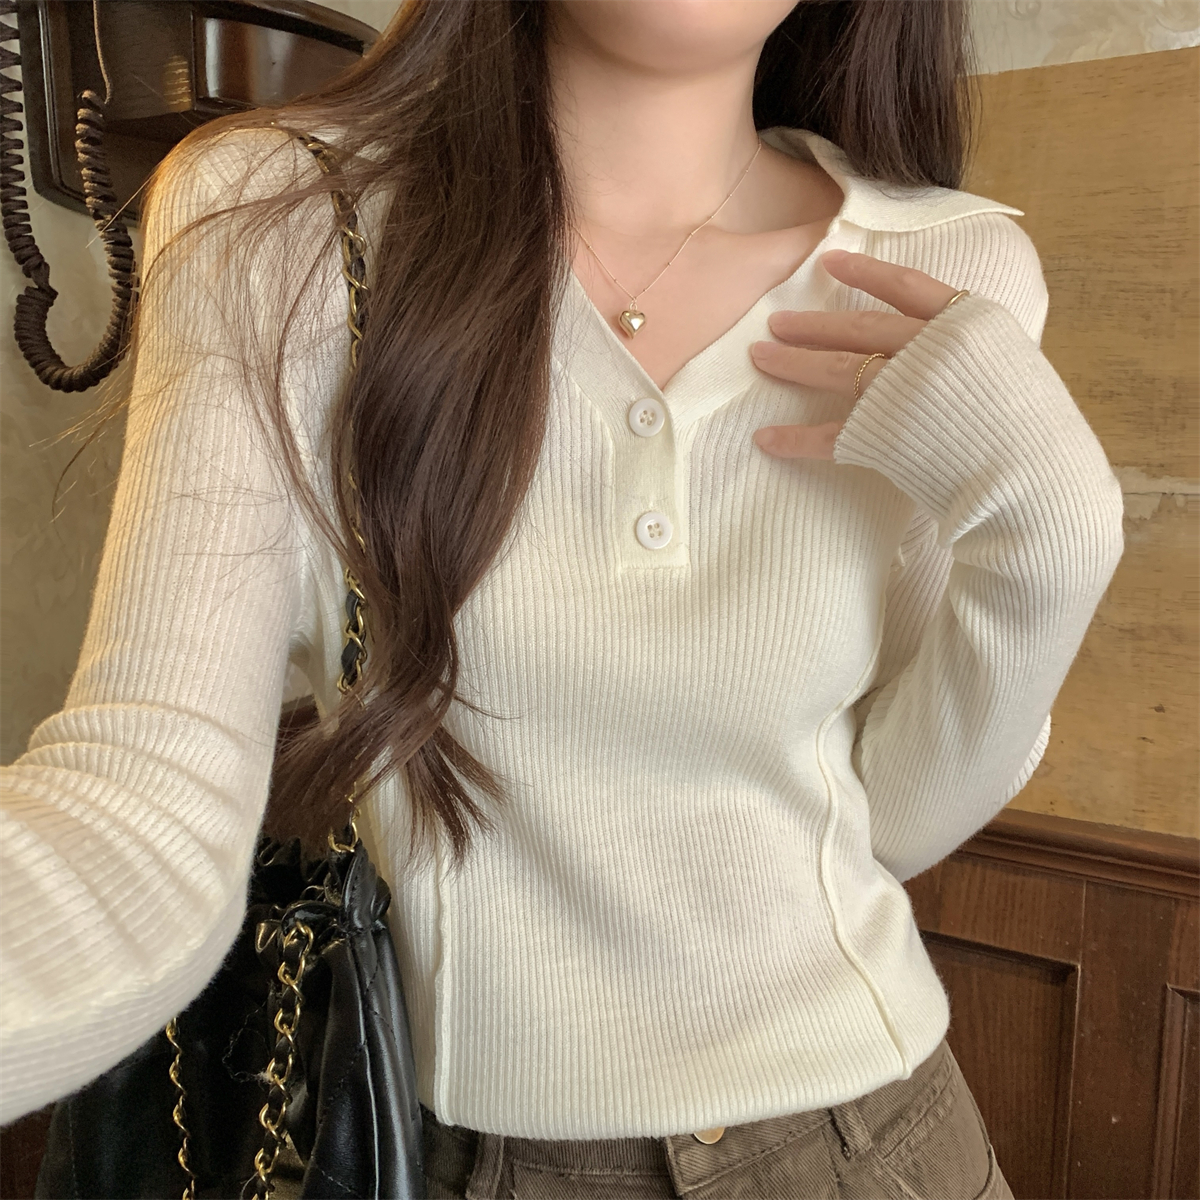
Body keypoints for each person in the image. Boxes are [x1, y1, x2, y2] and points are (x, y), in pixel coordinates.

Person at [0, 1, 1124, 1196]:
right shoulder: (277, 218)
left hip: (881, 1142)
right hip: (468, 1156)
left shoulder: (950, 261)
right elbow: (141, 810)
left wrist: (1053, 545)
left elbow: (888, 820)